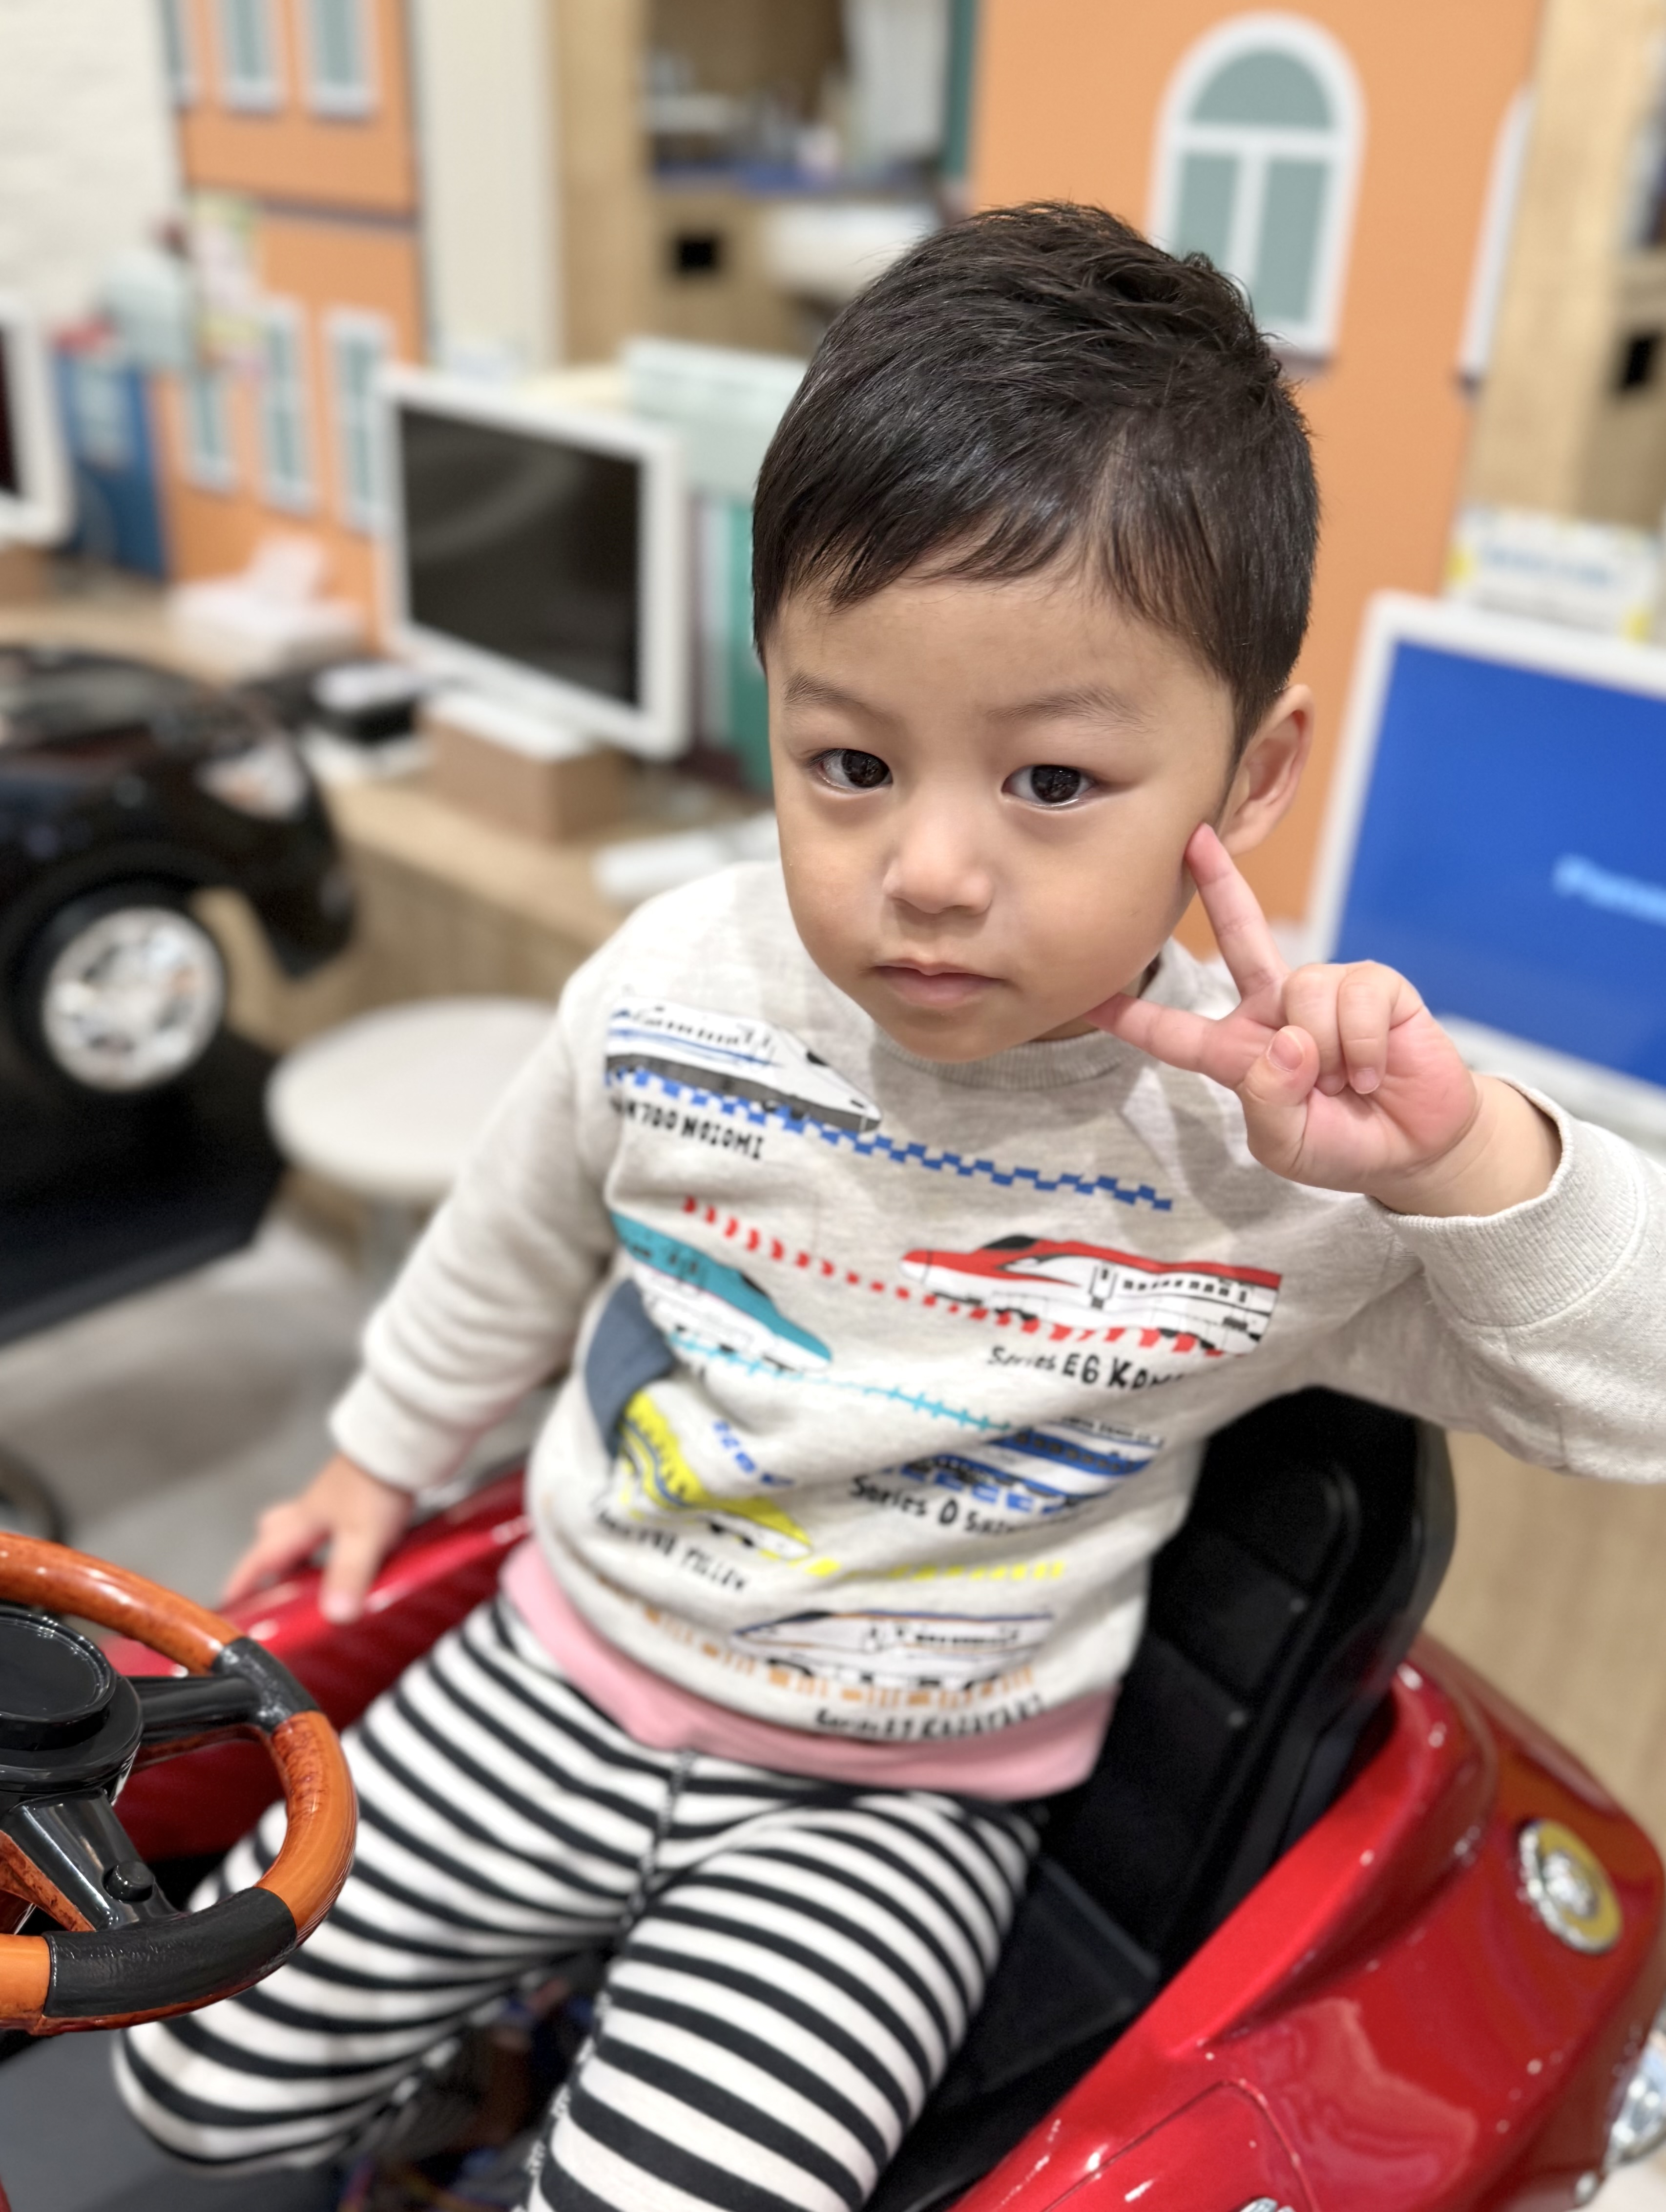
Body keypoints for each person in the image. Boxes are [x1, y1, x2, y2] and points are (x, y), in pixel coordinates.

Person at [118, 203, 1664, 2209]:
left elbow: (1633, 1397)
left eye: (1050, 783)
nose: (926, 869)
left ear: (1249, 772)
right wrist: (375, 1453)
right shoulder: (676, 988)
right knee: (186, 2077)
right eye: (848, 759)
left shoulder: (1278, 1156)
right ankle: (473, 2089)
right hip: (559, 1661)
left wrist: (1473, 1163)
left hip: (891, 1811)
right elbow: (513, 1230)